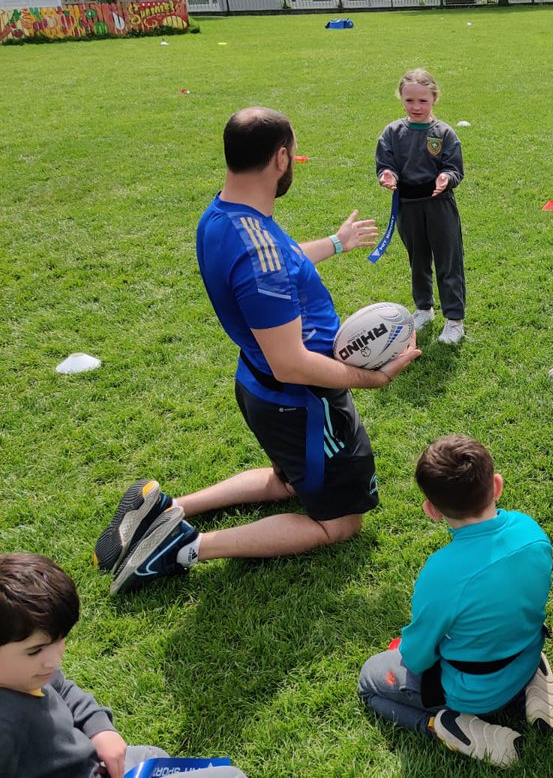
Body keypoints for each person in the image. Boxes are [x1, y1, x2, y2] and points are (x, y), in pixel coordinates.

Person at [94, 107, 421, 595]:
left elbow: (278, 262)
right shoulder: (258, 252)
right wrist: (373, 378)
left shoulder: (224, 216)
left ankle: (165, 506)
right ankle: (181, 547)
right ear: (281, 157)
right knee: (341, 522)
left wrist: (335, 242)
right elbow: (289, 358)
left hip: (259, 385)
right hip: (301, 401)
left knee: (288, 480)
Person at [358, 435, 553, 767]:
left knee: (369, 679)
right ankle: (530, 683)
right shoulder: (530, 530)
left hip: (474, 693)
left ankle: (442, 725)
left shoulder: (441, 574)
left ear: (431, 511)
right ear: (497, 486)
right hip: (526, 653)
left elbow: (418, 658)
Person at [0, 553, 247, 778]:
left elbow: (64, 690)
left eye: (61, 640)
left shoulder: (31, 674)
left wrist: (99, 730)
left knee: (153, 756)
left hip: (92, 764)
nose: (54, 660)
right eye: (35, 650)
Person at [375, 68, 467, 344]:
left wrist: (446, 177)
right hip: (407, 207)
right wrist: (387, 175)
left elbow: (454, 168)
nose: (416, 107)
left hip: (440, 207)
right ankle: (423, 309)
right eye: (409, 100)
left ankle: (454, 320)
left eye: (423, 101)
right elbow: (385, 162)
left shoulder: (444, 133)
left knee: (448, 261)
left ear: (434, 99)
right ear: (401, 99)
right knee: (418, 260)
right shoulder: (392, 132)